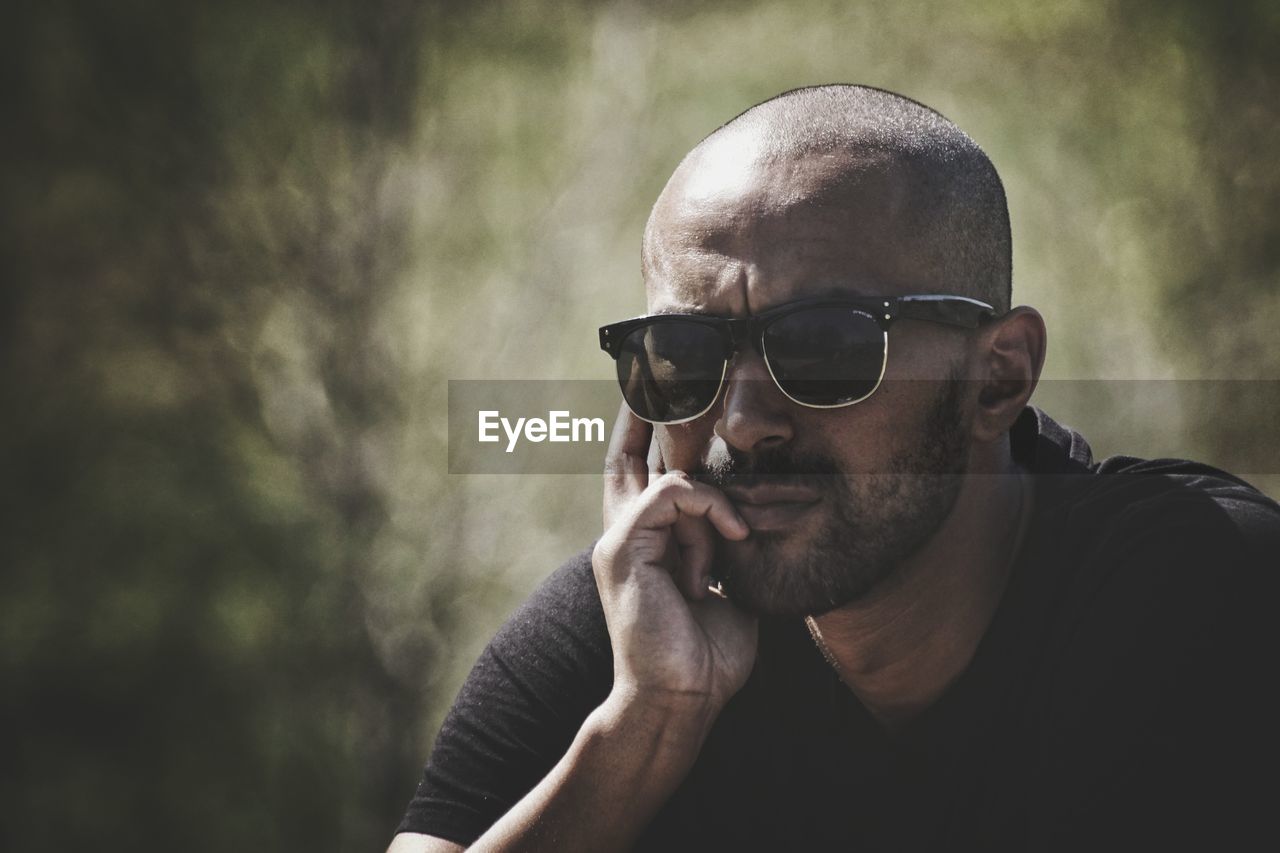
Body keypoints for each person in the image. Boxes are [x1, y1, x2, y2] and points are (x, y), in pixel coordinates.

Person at [389, 85, 1278, 852]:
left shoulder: (1194, 590)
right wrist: (648, 724)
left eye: (822, 348)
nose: (742, 420)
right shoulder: (643, 622)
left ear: (997, 376)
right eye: (685, 354)